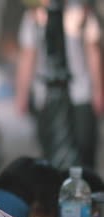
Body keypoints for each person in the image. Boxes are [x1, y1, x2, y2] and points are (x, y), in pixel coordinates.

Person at [15, 0, 103, 169]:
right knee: (50, 152)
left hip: (80, 94)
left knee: (84, 150)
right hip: (47, 95)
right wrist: (22, 93)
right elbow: (27, 56)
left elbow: (93, 52)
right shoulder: (33, 17)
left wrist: (98, 90)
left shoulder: (81, 13)